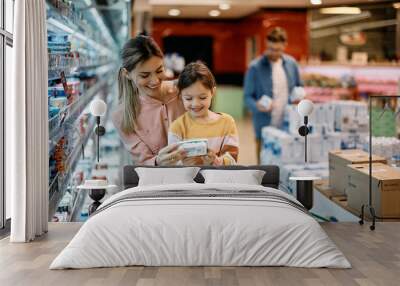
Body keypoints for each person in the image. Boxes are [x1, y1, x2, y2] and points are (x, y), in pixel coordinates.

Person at [112, 35, 188, 165]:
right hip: (158, 182)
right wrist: (158, 161)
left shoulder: (183, 91)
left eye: (159, 71)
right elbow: (144, 161)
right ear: (127, 74)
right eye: (145, 75)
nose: (155, 81)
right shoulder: (122, 116)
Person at [244, 27, 303, 164]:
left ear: (284, 46)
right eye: (271, 49)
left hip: (288, 125)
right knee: (264, 166)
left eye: (278, 50)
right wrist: (257, 106)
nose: (274, 53)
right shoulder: (255, 67)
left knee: (286, 164)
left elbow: (299, 87)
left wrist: (299, 97)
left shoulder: (292, 64)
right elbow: (247, 97)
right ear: (266, 44)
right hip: (264, 126)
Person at [168, 62, 239, 166]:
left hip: (217, 180)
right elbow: (172, 162)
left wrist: (216, 161)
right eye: (188, 98)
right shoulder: (176, 127)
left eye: (202, 97)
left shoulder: (227, 123)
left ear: (212, 92)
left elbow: (232, 161)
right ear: (180, 95)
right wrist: (183, 163)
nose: (195, 104)